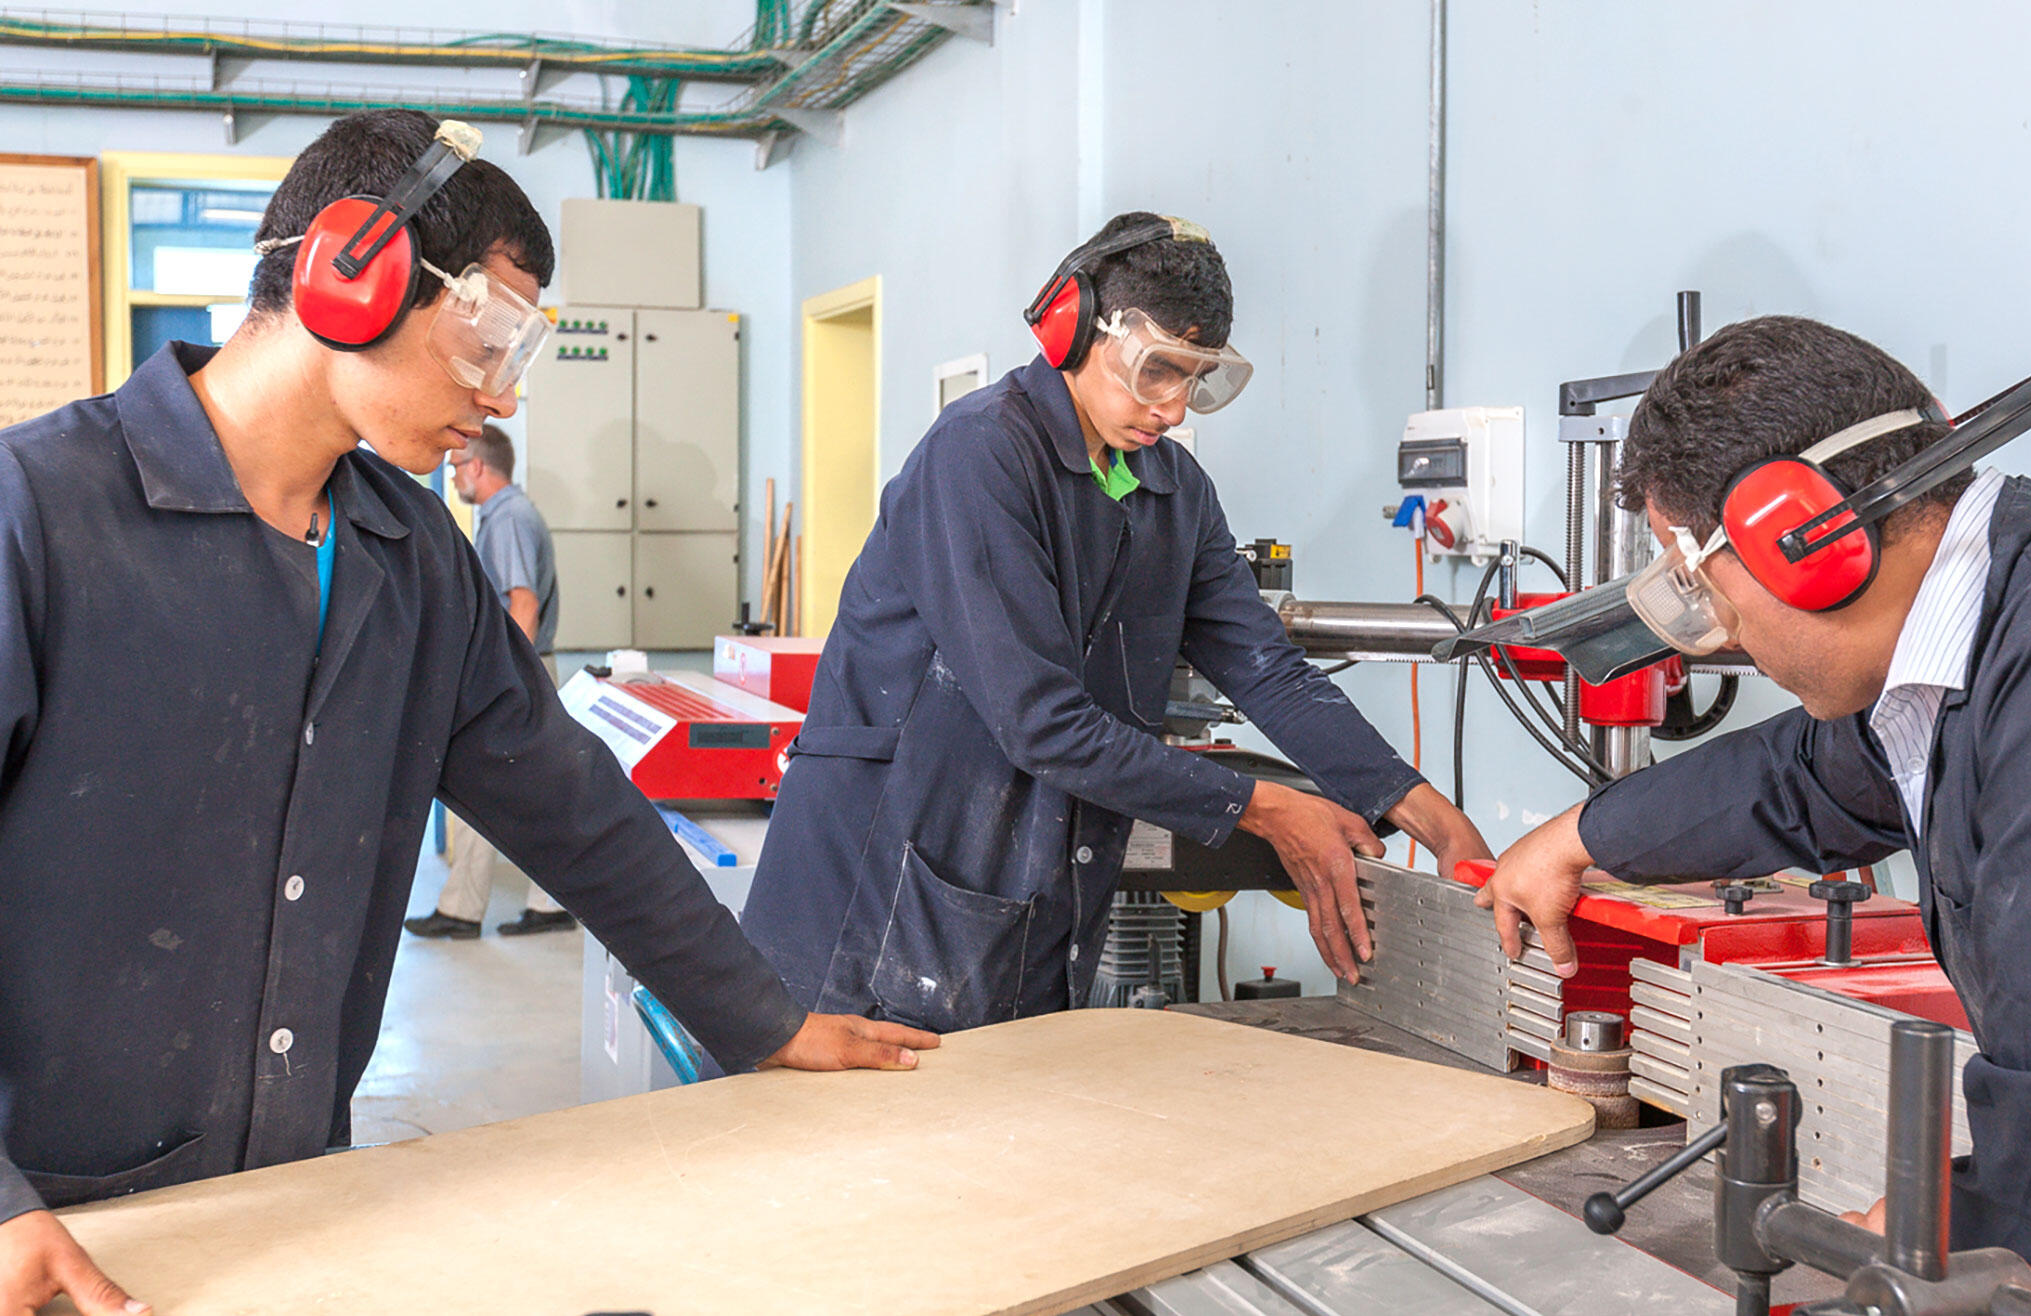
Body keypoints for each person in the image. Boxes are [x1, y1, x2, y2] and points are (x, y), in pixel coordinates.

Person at [0, 110, 935, 1316]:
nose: (497, 398)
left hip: (291, 1209)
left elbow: (573, 806)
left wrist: (761, 1017)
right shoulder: (39, 516)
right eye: (485, 336)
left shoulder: (408, 552)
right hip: (53, 1233)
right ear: (350, 273)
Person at [1478, 316, 2031, 1265]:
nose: (1719, 633)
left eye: (1701, 583)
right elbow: (1807, 777)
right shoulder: (2021, 614)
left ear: (1801, 546)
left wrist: (1941, 1238)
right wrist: (1580, 837)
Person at [740, 213, 1493, 1033]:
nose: (1171, 408)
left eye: (1196, 379)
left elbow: (1268, 670)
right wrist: (1271, 808)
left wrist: (1432, 815)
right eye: (1155, 371)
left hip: (1029, 884)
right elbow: (1041, 723)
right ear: (1072, 329)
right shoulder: (979, 456)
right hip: (878, 890)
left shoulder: (1173, 491)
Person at [405, 423, 573, 937]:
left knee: (488, 788)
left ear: (478, 466)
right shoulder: (507, 515)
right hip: (519, 666)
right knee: (519, 792)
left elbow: (523, 603)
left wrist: (507, 678)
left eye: (456, 467)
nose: (454, 476)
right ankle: (514, 906)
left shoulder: (508, 519)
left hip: (515, 667)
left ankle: (472, 909)